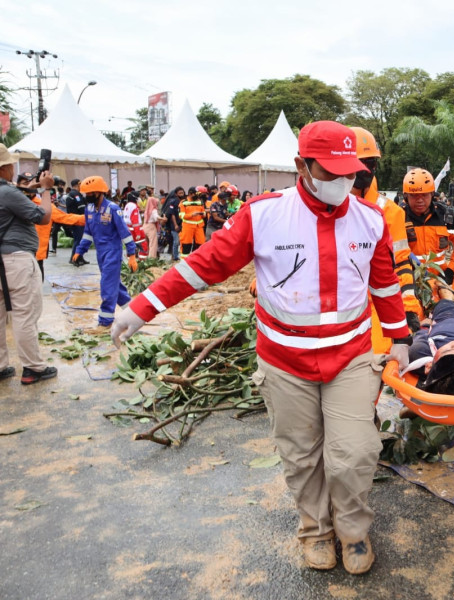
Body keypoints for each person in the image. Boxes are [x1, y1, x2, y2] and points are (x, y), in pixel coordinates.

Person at [111, 121, 412, 576]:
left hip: (350, 358)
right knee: (301, 453)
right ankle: (316, 530)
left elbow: (385, 284)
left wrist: (401, 338)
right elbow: (202, 266)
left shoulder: (370, 220)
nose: (343, 183)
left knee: (354, 453)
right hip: (284, 362)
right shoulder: (263, 215)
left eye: (350, 173)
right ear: (301, 167)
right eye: (329, 173)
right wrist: (143, 306)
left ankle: (353, 531)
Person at [348, 126, 423, 337]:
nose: (365, 169)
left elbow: (400, 264)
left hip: (376, 305)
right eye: (359, 162)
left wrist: (408, 307)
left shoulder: (391, 212)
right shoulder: (327, 207)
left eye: (370, 163)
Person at [0, 145, 58, 384]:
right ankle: (33, 368)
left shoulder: (9, 191)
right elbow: (43, 218)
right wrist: (46, 190)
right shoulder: (7, 193)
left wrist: (28, 187)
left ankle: (1, 366)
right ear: (4, 167)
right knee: (25, 315)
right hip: (15, 261)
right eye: (11, 164)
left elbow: (10, 195)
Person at [72, 176, 138, 327]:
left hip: (113, 252)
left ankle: (105, 321)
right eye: (86, 194)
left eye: (90, 194)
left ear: (100, 193)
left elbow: (125, 233)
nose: (87, 197)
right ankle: (134, 312)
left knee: (107, 285)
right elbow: (88, 233)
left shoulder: (113, 209)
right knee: (115, 285)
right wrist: (79, 250)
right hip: (100, 253)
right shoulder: (89, 209)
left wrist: (131, 255)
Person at [402, 168, 454, 284]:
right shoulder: (398, 218)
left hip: (439, 281)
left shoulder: (445, 216)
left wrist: (450, 271)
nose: (420, 200)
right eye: (414, 196)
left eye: (424, 195)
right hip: (408, 281)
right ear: (406, 197)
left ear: (432, 194)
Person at [16, 174, 85, 281]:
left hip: (37, 257)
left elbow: (66, 218)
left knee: (35, 290)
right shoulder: (11, 203)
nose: (29, 186)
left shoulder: (44, 206)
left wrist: (91, 218)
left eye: (33, 183)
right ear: (17, 185)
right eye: (25, 183)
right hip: (14, 258)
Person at [65, 179, 89, 265]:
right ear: (76, 185)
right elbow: (81, 207)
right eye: (80, 185)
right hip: (77, 220)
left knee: (80, 240)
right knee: (78, 240)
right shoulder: (75, 195)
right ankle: (74, 258)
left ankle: (80, 258)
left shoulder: (74, 194)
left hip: (76, 220)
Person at [142, 191, 161, 259]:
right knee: (153, 244)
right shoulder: (153, 210)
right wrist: (162, 218)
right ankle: (152, 259)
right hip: (151, 227)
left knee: (146, 243)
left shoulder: (147, 209)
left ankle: (144, 257)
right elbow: (156, 217)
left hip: (144, 226)